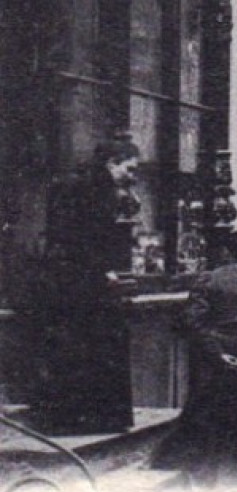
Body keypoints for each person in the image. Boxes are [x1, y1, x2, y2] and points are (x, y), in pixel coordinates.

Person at [32, 137, 143, 435]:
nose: (133, 176)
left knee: (80, 349)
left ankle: (74, 418)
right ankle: (92, 419)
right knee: (93, 347)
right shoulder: (93, 190)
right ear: (113, 163)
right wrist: (102, 271)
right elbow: (81, 238)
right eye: (130, 169)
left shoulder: (90, 186)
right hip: (79, 283)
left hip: (74, 281)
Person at [150, 232, 237, 487]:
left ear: (226, 252)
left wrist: (217, 351)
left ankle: (209, 474)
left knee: (211, 411)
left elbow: (191, 320)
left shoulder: (209, 279)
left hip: (217, 349)